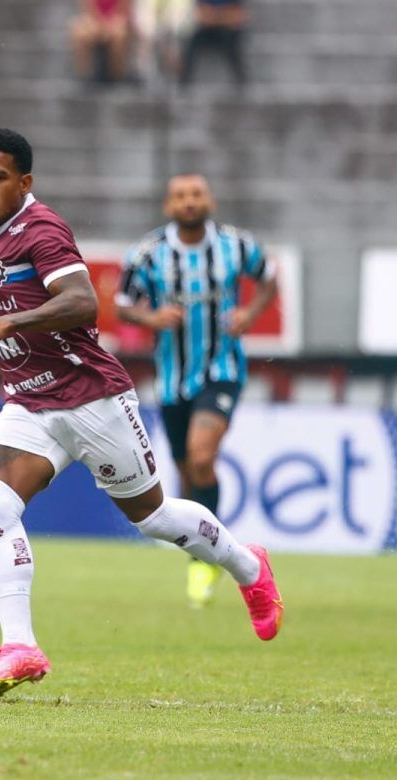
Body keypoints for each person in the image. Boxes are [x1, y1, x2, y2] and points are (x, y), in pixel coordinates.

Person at [0, 128, 283, 697]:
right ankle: (20, 647)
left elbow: (82, 301)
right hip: (31, 402)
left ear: (23, 182)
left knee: (152, 518)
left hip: (92, 397)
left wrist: (8, 323)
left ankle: (248, 567)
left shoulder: (41, 229)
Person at [116, 174, 277, 608]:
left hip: (221, 369)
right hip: (171, 378)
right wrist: (150, 319)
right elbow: (122, 304)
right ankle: (203, 548)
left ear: (210, 200)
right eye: (181, 196)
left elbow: (269, 277)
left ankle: (206, 563)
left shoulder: (235, 246)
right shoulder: (149, 253)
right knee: (187, 471)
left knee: (202, 456)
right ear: (169, 205)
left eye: (197, 194)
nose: (190, 202)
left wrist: (250, 312)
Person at [180, 0, 248, 86]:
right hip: (209, 30)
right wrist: (220, 16)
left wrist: (216, 16)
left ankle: (241, 80)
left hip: (228, 32)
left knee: (231, 45)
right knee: (191, 42)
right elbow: (202, 15)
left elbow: (238, 16)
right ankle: (184, 81)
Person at [68, 0, 133, 84]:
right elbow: (88, 10)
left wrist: (109, 26)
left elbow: (124, 11)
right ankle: (85, 75)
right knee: (79, 32)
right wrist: (100, 25)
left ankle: (117, 75)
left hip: (116, 22)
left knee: (119, 34)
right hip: (96, 22)